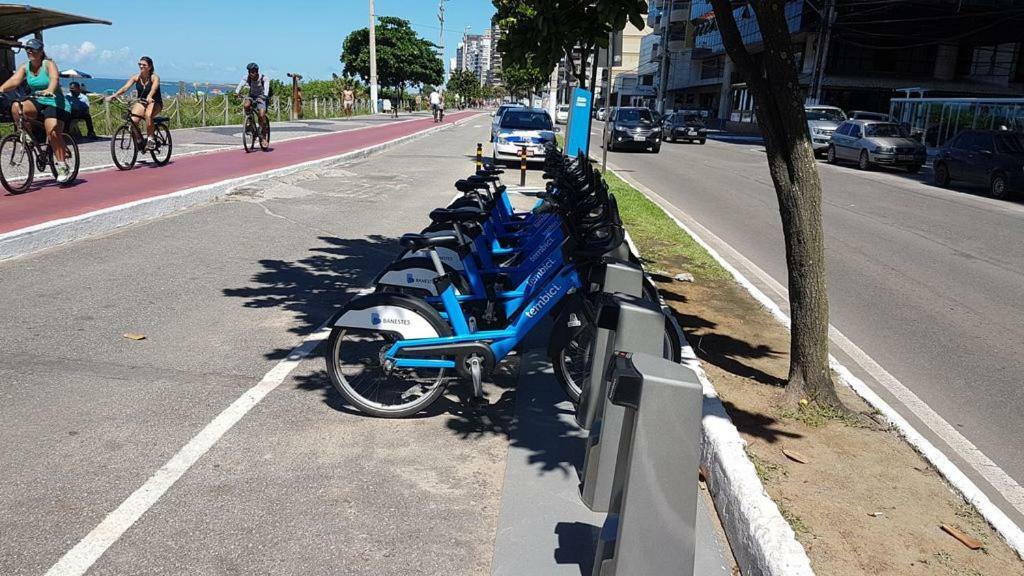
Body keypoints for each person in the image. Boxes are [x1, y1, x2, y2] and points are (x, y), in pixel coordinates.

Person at [0, 38, 73, 183]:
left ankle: (62, 166)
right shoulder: (25, 66)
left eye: (33, 49)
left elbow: (54, 79)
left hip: (55, 102)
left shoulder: (48, 64)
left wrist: (50, 90)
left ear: (40, 52)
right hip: (37, 100)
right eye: (28, 49)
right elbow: (14, 81)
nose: (30, 52)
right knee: (16, 106)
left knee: (52, 132)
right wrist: (1, 89)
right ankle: (27, 136)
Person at [106, 56, 163, 151]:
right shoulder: (136, 77)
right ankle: (140, 140)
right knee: (133, 121)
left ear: (149, 67)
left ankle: (150, 139)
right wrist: (114, 95)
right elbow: (125, 88)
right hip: (142, 102)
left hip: (154, 102)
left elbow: (154, 88)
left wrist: (149, 96)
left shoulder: (154, 77)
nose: (141, 66)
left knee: (148, 115)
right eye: (139, 64)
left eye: (144, 65)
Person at [235, 62, 269, 140]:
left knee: (261, 115)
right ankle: (250, 123)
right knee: (246, 105)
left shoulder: (264, 78)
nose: (251, 74)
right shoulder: (246, 77)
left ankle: (263, 135)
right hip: (251, 96)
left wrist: (265, 95)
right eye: (249, 72)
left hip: (261, 97)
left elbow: (266, 89)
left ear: (257, 72)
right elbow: (241, 85)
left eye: (252, 72)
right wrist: (237, 92)